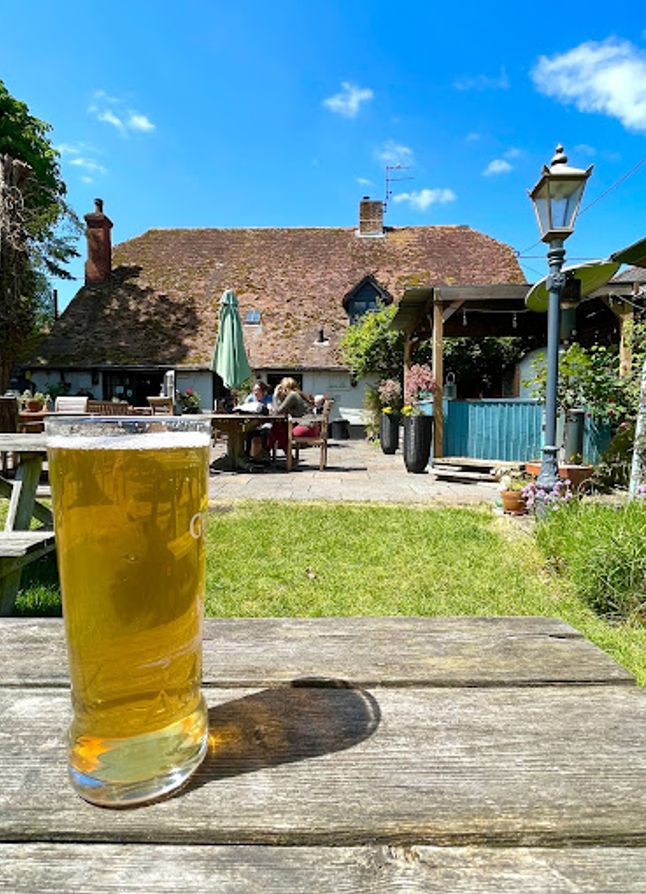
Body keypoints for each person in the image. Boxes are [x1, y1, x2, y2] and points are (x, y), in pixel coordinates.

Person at [267, 378, 320, 457]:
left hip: (306, 427)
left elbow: (277, 412)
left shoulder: (292, 395)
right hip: (312, 427)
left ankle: (266, 452)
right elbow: (280, 410)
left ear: (285, 388)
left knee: (280, 431)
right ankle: (287, 457)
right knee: (279, 428)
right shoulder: (296, 394)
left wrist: (275, 396)